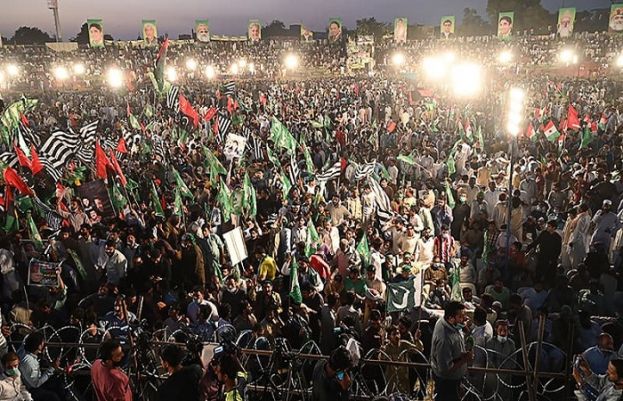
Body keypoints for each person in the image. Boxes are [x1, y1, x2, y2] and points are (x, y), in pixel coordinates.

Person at [430, 301, 472, 401]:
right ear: (451, 318)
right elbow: (445, 370)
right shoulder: (444, 339)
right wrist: (464, 359)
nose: (465, 319)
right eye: (461, 317)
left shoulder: (447, 322)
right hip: (447, 383)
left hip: (455, 379)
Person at [18, 332, 61, 401]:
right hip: (30, 389)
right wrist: (52, 368)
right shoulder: (29, 362)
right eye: (43, 343)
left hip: (30, 382)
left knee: (57, 383)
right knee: (53, 396)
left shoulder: (23, 351)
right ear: (39, 346)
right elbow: (36, 384)